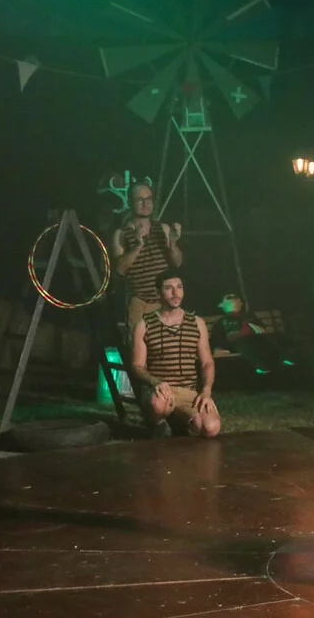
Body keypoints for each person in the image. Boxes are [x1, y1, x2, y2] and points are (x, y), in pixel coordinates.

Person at [131, 269, 220, 438]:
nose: (175, 293)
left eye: (179, 287)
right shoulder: (144, 324)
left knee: (211, 428)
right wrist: (155, 382)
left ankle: (180, 422)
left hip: (188, 390)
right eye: (168, 288)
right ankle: (158, 425)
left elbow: (207, 362)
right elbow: (137, 366)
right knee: (159, 405)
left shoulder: (196, 322)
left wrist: (206, 391)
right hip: (160, 390)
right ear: (158, 293)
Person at [112, 183, 183, 334]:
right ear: (130, 203)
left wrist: (173, 244)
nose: (145, 204)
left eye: (149, 199)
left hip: (164, 302)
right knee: (140, 346)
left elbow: (177, 263)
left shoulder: (163, 229)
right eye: (139, 200)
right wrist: (138, 246)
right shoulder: (121, 233)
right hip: (139, 303)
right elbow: (119, 270)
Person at [210, 293, 294, 374]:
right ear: (222, 306)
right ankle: (260, 366)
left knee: (267, 342)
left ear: (241, 304)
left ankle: (284, 358)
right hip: (236, 341)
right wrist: (218, 347)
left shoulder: (248, 317)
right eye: (229, 304)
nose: (233, 305)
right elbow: (217, 335)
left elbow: (261, 327)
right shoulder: (222, 321)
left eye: (236, 303)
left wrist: (255, 326)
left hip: (253, 338)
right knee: (246, 348)